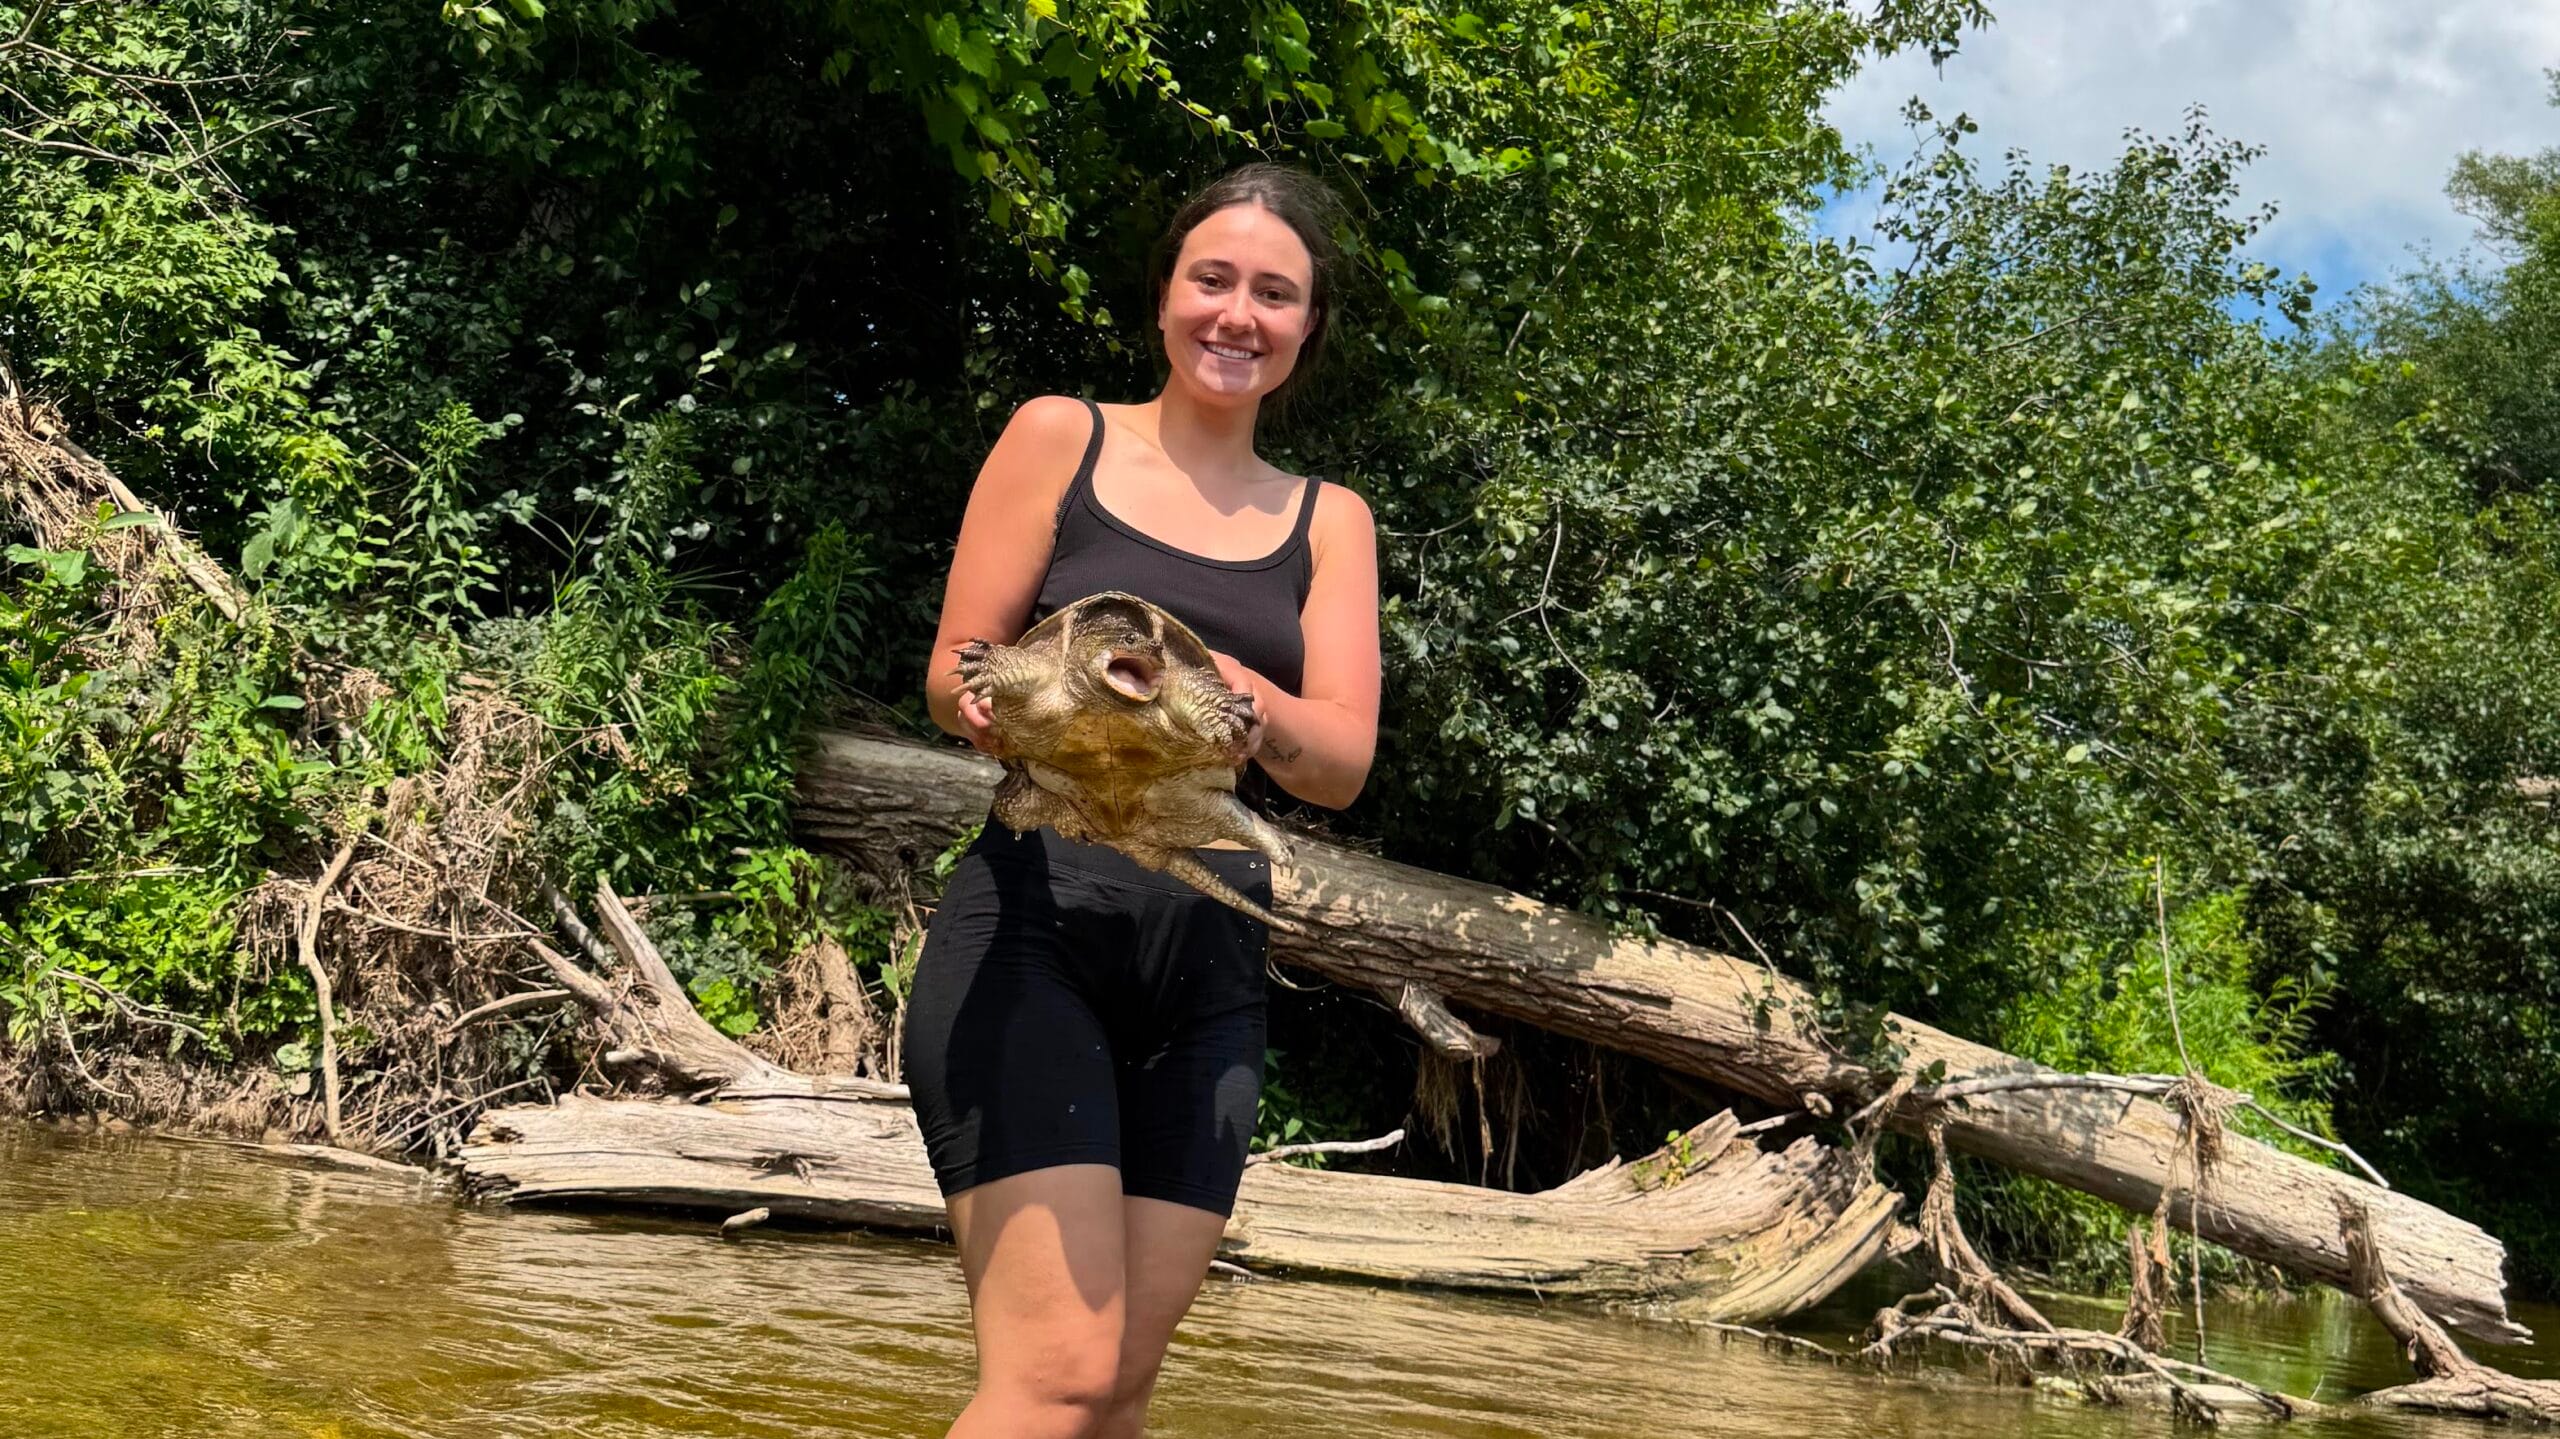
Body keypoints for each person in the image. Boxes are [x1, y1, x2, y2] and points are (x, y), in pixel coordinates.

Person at [908, 163, 1382, 1439]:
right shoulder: (1060, 434)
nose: (1238, 313)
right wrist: (995, 701)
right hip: (1034, 925)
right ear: (1167, 296)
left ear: (1306, 327)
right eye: (1212, 279)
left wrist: (1246, 699)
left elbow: (1339, 758)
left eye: (1274, 294)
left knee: (1115, 1391)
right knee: (1052, 1379)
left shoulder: (1330, 519)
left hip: (1210, 955)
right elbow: (958, 666)